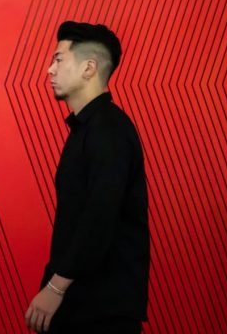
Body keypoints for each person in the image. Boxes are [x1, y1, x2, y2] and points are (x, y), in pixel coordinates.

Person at [25, 21, 150, 333]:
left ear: (89, 68)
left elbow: (100, 215)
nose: (49, 70)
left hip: (101, 311)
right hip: (80, 305)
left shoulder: (109, 130)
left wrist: (55, 288)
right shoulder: (88, 129)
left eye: (58, 59)